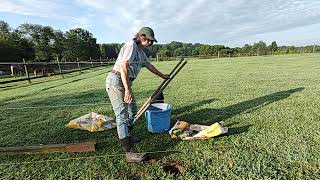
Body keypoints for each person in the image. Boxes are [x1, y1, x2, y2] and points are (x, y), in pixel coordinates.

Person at [106, 27, 169, 162]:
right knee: (122, 115)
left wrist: (163, 76)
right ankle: (129, 153)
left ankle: (127, 135)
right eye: (149, 40)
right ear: (142, 36)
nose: (150, 44)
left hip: (125, 82)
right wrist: (127, 89)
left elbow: (149, 65)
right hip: (116, 82)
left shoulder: (140, 52)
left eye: (152, 42)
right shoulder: (131, 45)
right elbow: (123, 67)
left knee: (133, 111)